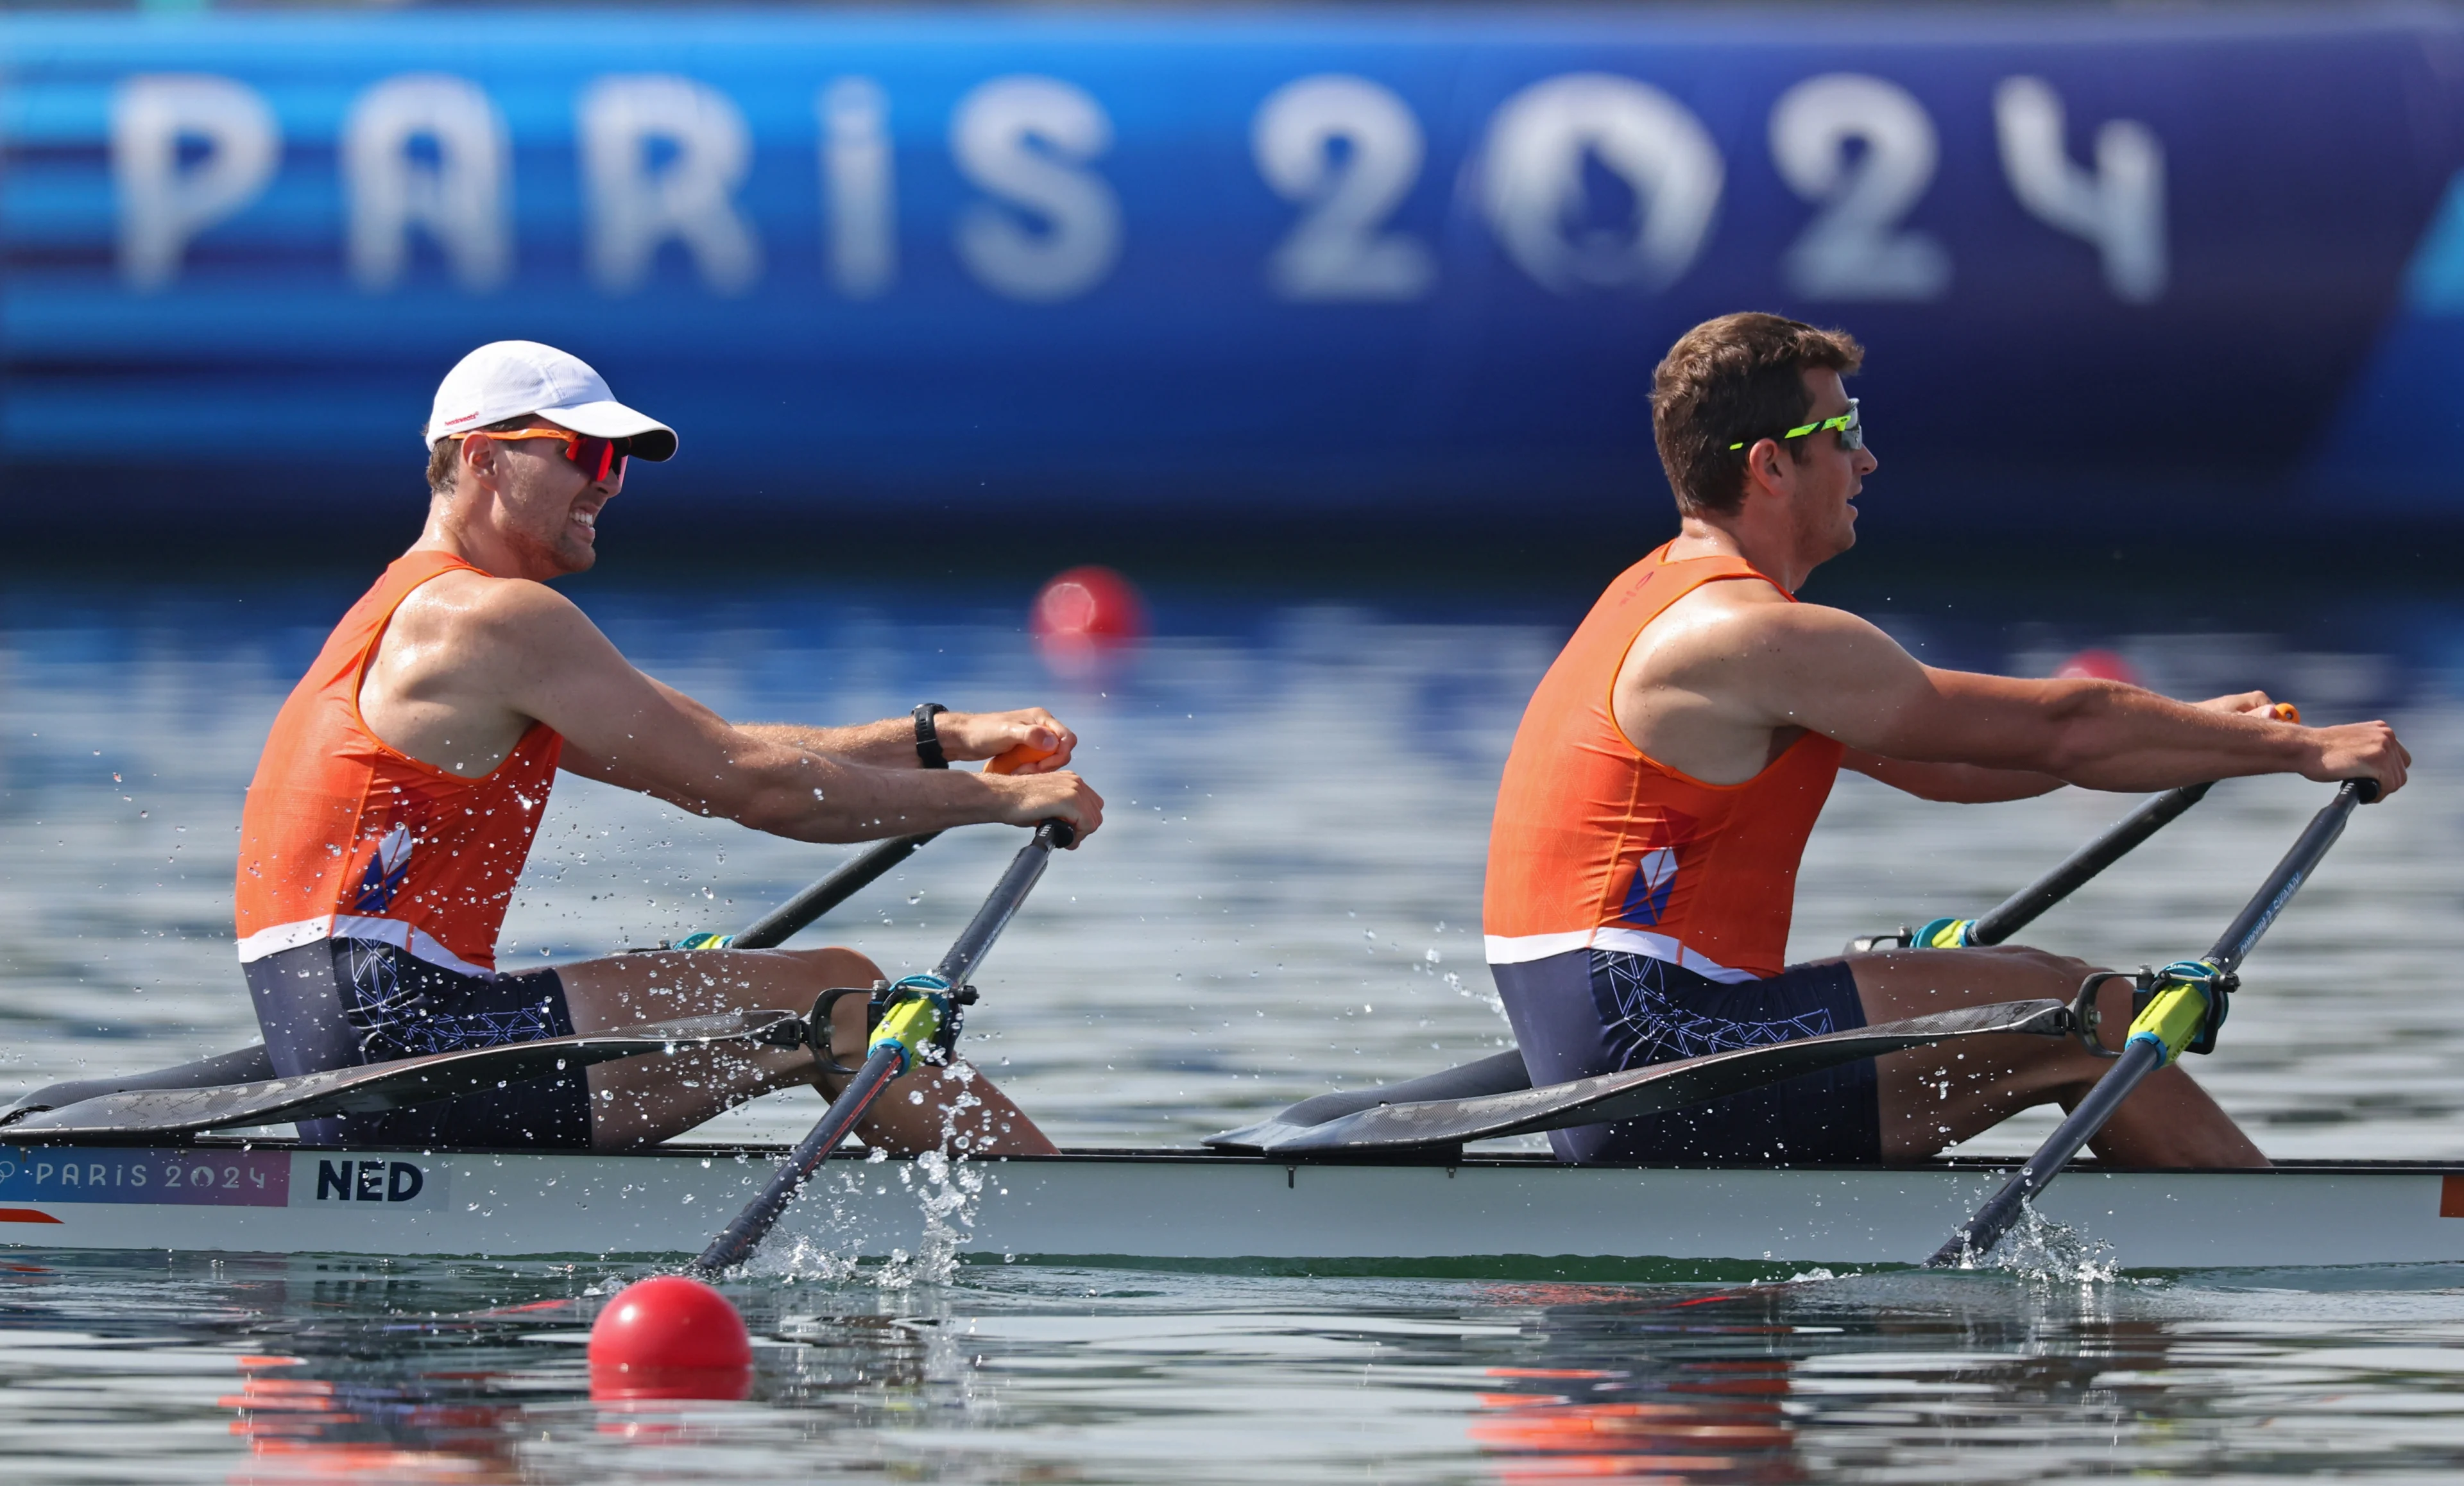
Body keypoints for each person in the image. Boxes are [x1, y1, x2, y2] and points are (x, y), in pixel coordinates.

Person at [1483, 312, 2408, 1168]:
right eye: (1842, 434)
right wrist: (2309, 751)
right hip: (1660, 1049)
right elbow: (2065, 729)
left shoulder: (1654, 599)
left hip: (1614, 1050)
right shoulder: (1751, 632)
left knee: (2052, 998)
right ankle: (2286, 1244)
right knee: (2081, 1014)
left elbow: (1962, 761)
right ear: (1770, 466)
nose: (1868, 459)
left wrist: (2206, 736)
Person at [235, 340, 1104, 1155]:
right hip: (407, 1036)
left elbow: (721, 748)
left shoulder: (414, 613)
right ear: (482, 459)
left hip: (353, 1040)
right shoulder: (491, 618)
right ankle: (1071, 1228)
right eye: (584, 454)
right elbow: (761, 792)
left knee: (802, 991)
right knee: (835, 999)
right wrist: (1002, 801)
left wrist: (942, 739)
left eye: (617, 464)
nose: (609, 484)